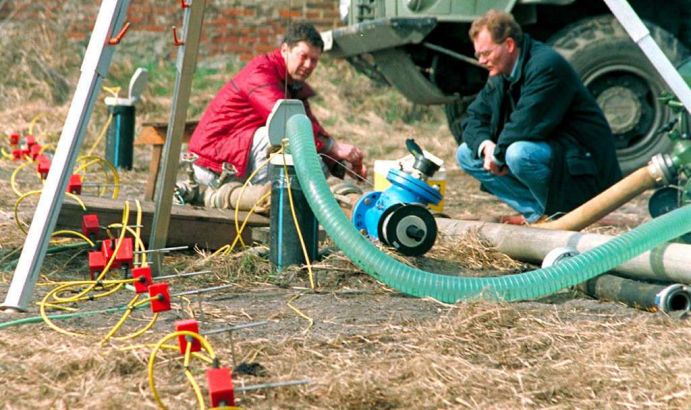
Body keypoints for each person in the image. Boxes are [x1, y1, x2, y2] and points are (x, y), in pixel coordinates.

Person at [456, 9, 622, 224]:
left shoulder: (546, 65)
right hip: (553, 152)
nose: (481, 61)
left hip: (582, 160)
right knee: (466, 153)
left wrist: (497, 155)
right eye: (478, 55)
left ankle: (567, 216)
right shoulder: (500, 73)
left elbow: (525, 123)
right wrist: (486, 146)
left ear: (508, 45)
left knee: (517, 154)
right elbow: (473, 118)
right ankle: (539, 216)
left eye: (486, 53)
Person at [184, 22, 366, 208]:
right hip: (214, 165)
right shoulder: (261, 73)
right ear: (285, 49)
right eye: (303, 56)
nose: (308, 65)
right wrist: (333, 147)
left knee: (290, 142)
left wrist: (338, 162)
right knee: (276, 137)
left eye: (314, 60)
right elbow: (291, 124)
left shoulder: (292, 83)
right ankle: (268, 205)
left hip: (237, 157)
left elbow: (310, 128)